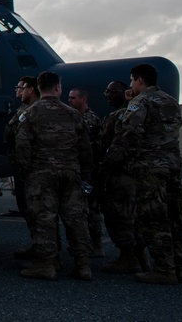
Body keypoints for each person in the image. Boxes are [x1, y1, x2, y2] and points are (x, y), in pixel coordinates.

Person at [105, 63, 182, 284]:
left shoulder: (140, 103)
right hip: (172, 166)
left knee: (153, 219)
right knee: (174, 218)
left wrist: (113, 163)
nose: (131, 85)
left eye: (132, 80)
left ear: (139, 79)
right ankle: (179, 266)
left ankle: (163, 269)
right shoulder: (170, 101)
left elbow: (130, 135)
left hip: (150, 168)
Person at [14, 71, 94, 281]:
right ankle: (83, 265)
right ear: (58, 87)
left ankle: (47, 264)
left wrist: (26, 172)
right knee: (76, 218)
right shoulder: (72, 113)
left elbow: (21, 145)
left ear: (39, 88)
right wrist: (84, 173)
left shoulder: (30, 113)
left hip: (42, 174)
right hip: (70, 173)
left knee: (44, 219)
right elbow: (85, 147)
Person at [98, 80, 143, 274]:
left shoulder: (119, 116)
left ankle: (129, 257)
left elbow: (111, 146)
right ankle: (140, 257)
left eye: (112, 91)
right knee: (135, 217)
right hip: (136, 173)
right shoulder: (138, 113)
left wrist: (102, 168)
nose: (107, 94)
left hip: (120, 175)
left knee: (118, 216)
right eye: (106, 91)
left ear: (125, 93)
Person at [4, 76, 39, 259]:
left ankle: (44, 252)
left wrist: (24, 168)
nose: (18, 91)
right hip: (25, 167)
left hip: (30, 169)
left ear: (31, 89)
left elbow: (22, 141)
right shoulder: (24, 110)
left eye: (20, 87)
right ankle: (39, 246)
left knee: (37, 212)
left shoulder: (33, 111)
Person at [68, 86, 105, 256]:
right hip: (79, 169)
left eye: (73, 98)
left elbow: (90, 148)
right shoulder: (75, 117)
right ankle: (85, 244)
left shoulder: (90, 119)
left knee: (91, 210)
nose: (70, 101)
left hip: (89, 171)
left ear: (83, 99)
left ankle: (96, 245)